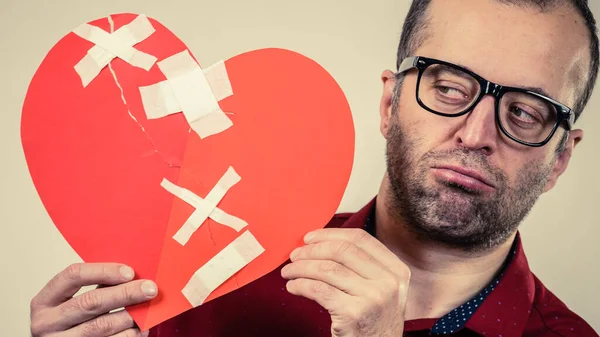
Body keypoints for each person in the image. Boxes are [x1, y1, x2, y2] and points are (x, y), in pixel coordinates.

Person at [29, 0, 600, 336]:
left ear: (560, 158)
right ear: (388, 104)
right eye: (448, 88)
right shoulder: (213, 274)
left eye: (525, 113)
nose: (475, 135)